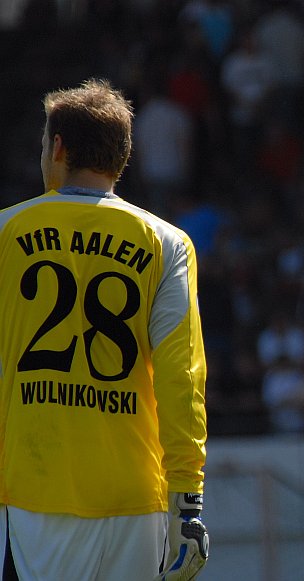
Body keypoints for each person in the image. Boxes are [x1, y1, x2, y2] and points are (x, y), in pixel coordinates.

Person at [0, 79, 209, 580]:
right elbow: (182, 377)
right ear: (123, 156)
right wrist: (189, 499)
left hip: (34, 494)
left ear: (58, 147)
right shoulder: (167, 243)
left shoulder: (6, 230)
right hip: (136, 499)